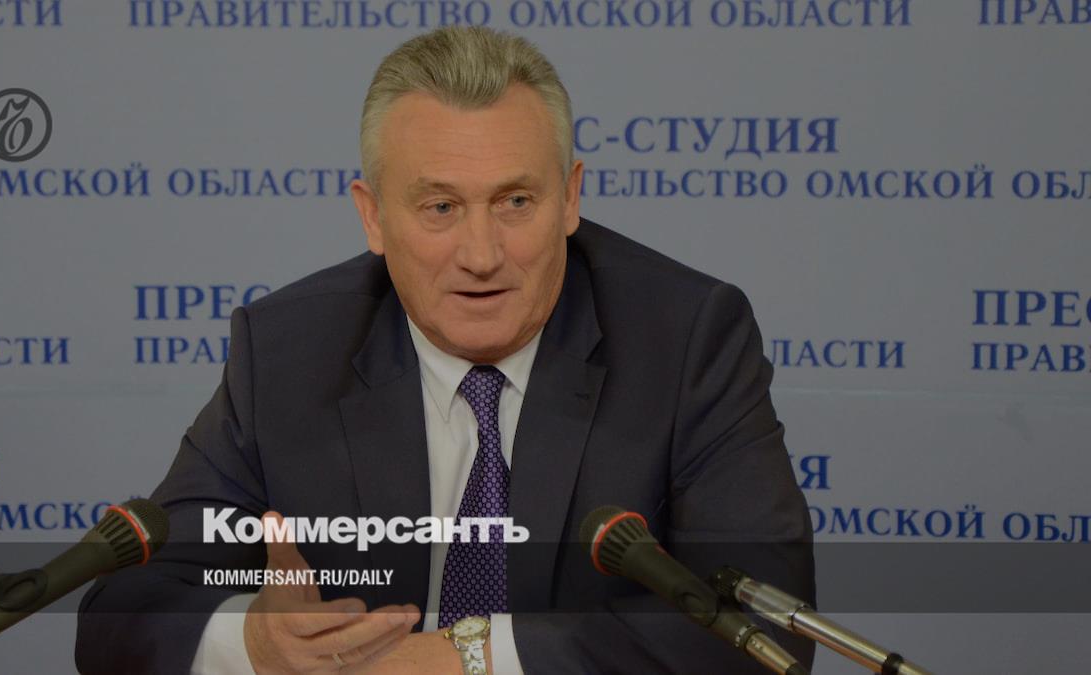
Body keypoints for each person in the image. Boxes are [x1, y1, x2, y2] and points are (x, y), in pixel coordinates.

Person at [76, 26, 815, 674]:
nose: (481, 255)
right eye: (440, 207)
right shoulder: (287, 352)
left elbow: (764, 623)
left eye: (515, 201)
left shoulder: (685, 340)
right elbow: (122, 614)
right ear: (372, 216)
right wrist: (258, 645)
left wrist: (467, 657)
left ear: (570, 198)